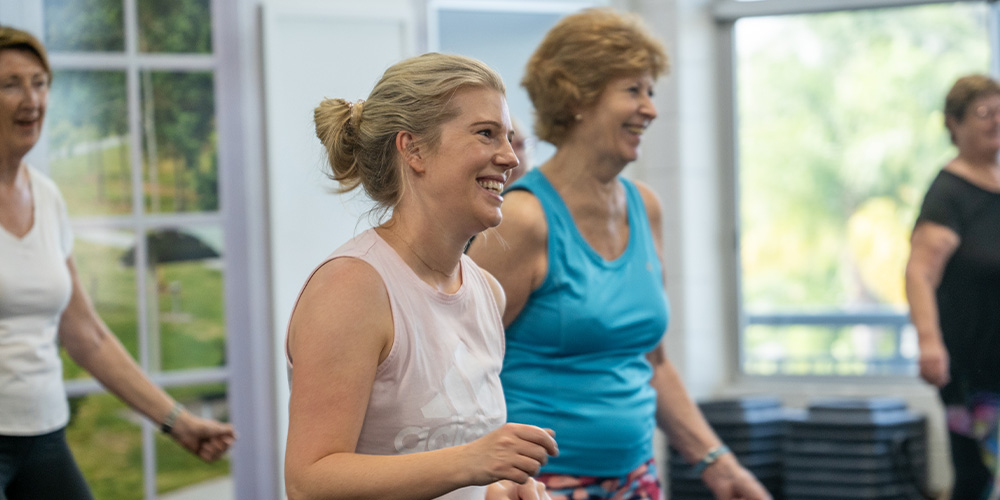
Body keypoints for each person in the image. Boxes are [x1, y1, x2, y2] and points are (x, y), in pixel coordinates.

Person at [466, 8, 772, 500]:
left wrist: (719, 465)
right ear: (577, 98)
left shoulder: (644, 207)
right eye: (633, 90)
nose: (649, 108)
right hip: (538, 486)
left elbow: (653, 362)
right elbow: (455, 369)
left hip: (636, 478)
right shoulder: (524, 221)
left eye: (650, 91)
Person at [283, 52, 559, 500]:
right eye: (486, 134)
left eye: (507, 137)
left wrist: (502, 490)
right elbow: (308, 482)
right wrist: (472, 461)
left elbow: (451, 477)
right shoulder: (353, 288)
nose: (510, 158)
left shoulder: (487, 291)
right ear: (413, 149)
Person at [0, 26, 235, 500]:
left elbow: (87, 335)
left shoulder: (47, 197)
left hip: (44, 431)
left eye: (40, 82)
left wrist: (177, 421)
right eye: (10, 84)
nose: (32, 100)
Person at [905, 74, 1000, 500]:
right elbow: (919, 273)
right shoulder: (949, 193)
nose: (996, 121)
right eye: (984, 113)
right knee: (977, 478)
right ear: (954, 124)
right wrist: (929, 342)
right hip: (972, 366)